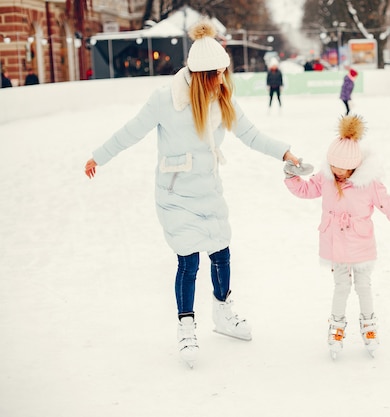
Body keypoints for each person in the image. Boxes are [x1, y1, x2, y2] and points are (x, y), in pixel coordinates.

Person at [83, 18, 311, 368]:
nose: (223, 79)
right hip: (174, 194)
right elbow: (131, 132)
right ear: (201, 73)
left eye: (224, 72)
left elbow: (251, 134)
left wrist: (285, 152)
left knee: (221, 251)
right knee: (188, 260)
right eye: (217, 73)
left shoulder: (222, 98)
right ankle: (186, 327)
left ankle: (223, 313)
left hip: (208, 189)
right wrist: (99, 155)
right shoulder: (165, 100)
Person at [283, 115, 390, 359]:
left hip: (361, 245)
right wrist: (291, 177)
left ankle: (369, 326)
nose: (336, 172)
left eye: (341, 168)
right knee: (341, 286)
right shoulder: (325, 178)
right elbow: (305, 190)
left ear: (354, 166)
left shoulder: (368, 184)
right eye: (332, 166)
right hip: (336, 245)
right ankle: (336, 326)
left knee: (364, 286)